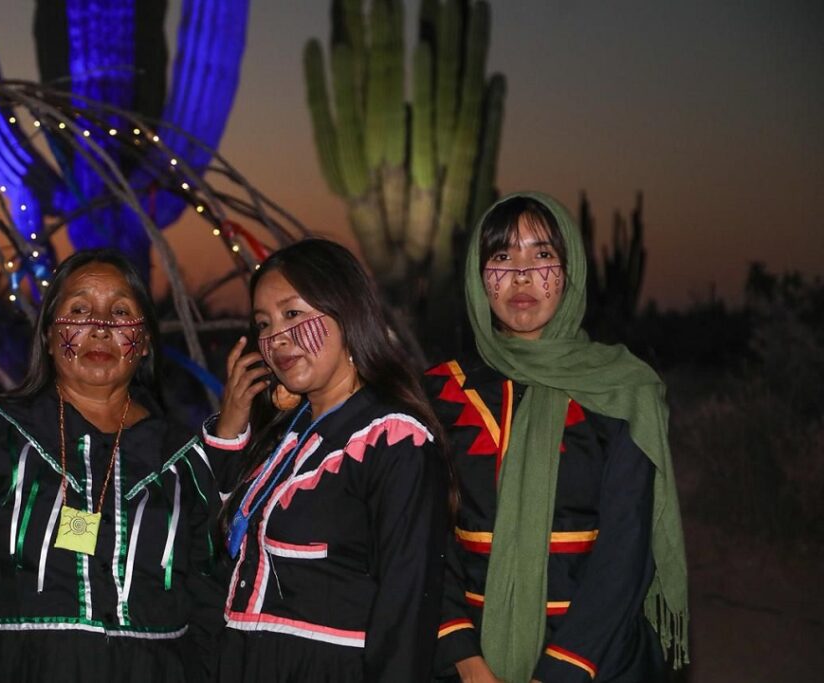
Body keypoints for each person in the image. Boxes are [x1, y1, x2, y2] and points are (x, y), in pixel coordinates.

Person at [0, 248, 220, 683]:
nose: (101, 327)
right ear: (50, 336)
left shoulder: (184, 458)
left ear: (144, 342)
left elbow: (208, 603)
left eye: (121, 312)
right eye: (80, 310)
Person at [428, 192, 688, 683]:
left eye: (542, 254)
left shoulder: (622, 391)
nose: (522, 276)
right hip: (467, 658)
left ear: (571, 271)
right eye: (501, 256)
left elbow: (626, 550)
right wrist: (467, 660)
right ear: (478, 277)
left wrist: (558, 672)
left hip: (596, 658)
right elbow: (427, 538)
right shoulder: (440, 393)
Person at [202, 238, 450, 682]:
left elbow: (407, 609)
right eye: (263, 323)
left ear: (346, 314)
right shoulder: (285, 436)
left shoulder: (392, 439)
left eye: (293, 314)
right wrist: (232, 427)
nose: (277, 338)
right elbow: (214, 539)